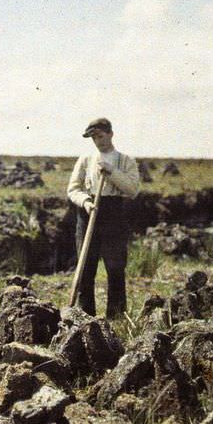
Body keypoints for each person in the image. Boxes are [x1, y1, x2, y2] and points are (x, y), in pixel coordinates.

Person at [67, 117, 140, 318]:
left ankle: (116, 317)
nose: (98, 141)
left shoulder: (126, 161)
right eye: (93, 138)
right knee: (85, 269)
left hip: (113, 214)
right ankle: (84, 316)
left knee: (115, 268)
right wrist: (85, 202)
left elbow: (133, 190)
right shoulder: (85, 159)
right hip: (88, 212)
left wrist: (112, 172)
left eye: (100, 136)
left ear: (110, 134)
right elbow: (73, 189)